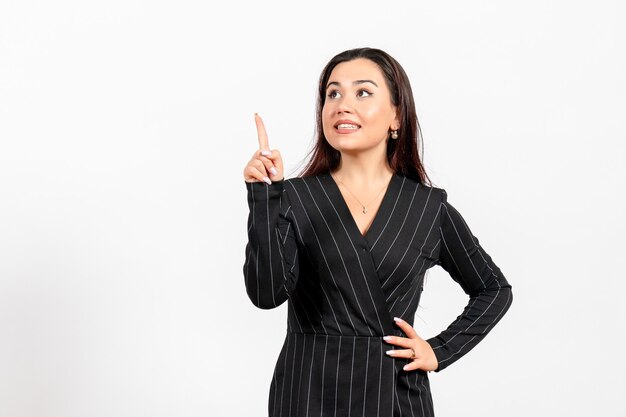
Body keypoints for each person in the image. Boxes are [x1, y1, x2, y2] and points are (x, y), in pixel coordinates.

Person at [242, 47, 513, 417]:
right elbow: (266, 294)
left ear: (396, 115)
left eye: (362, 92)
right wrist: (263, 198)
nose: (341, 104)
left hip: (395, 396)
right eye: (332, 93)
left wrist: (438, 350)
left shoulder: (427, 208)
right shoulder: (294, 197)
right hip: (307, 393)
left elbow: (494, 289)